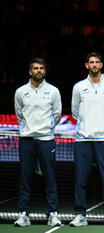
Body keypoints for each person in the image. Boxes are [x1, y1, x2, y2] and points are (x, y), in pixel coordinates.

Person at [70, 52, 104, 227]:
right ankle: (80, 214)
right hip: (83, 140)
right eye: (91, 62)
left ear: (101, 64)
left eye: (97, 62)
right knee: (81, 180)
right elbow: (75, 111)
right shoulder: (78, 87)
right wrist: (87, 126)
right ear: (86, 65)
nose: (94, 65)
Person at [14, 57, 62, 227]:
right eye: (35, 68)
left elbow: (56, 114)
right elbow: (19, 115)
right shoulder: (20, 92)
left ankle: (53, 213)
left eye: (41, 68)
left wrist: (45, 128)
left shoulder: (53, 91)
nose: (39, 71)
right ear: (30, 71)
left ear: (45, 71)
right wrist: (28, 128)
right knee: (25, 177)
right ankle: (23, 213)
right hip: (27, 139)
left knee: (50, 178)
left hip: (46, 139)